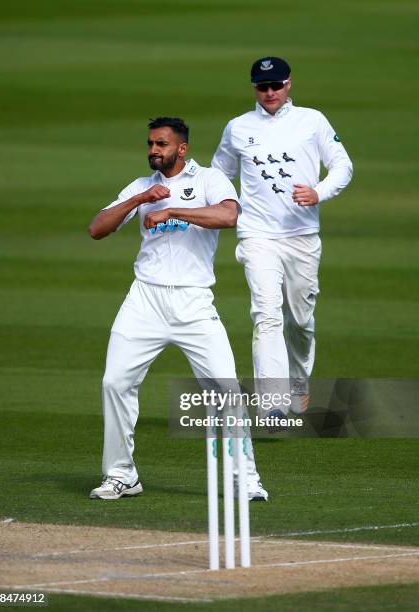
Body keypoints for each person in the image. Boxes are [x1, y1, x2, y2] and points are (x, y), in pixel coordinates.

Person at [88, 117, 267, 500]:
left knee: (224, 388)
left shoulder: (209, 180)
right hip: (144, 300)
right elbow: (97, 228)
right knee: (115, 382)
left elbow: (229, 216)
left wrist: (173, 212)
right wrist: (138, 201)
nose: (154, 150)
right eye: (151, 144)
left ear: (181, 149)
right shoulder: (140, 186)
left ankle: (244, 478)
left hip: (193, 301)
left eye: (162, 145)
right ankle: (122, 475)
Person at [212, 57, 353, 414]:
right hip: (257, 236)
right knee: (266, 313)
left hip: (302, 236)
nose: (270, 92)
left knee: (300, 321)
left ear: (289, 84)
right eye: (262, 87)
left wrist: (318, 193)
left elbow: (343, 165)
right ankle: (272, 402)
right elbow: (219, 176)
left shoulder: (312, 120)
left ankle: (299, 383)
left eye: (276, 85)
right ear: (254, 88)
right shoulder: (238, 127)